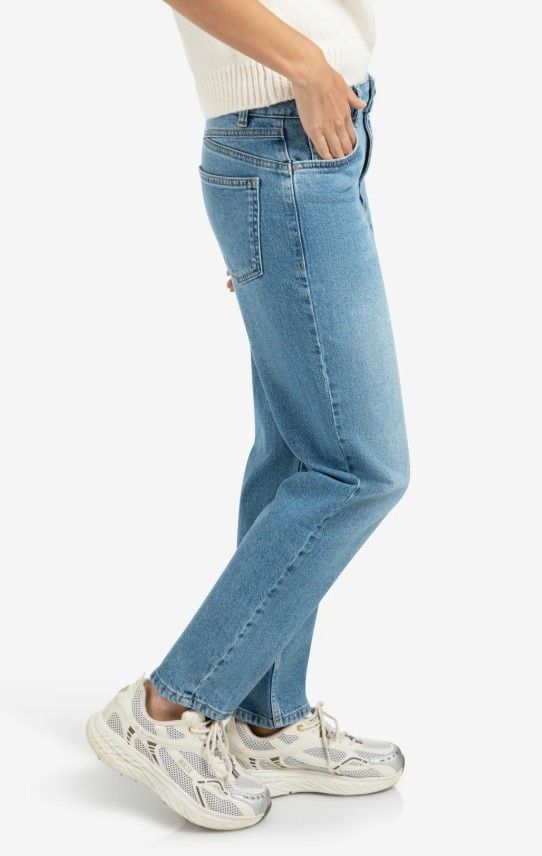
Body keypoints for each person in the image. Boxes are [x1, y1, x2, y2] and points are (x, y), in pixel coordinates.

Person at [87, 0, 409, 831]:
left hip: (317, 135)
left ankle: (267, 719)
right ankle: (166, 707)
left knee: (301, 455)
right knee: (360, 469)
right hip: (281, 137)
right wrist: (304, 63)